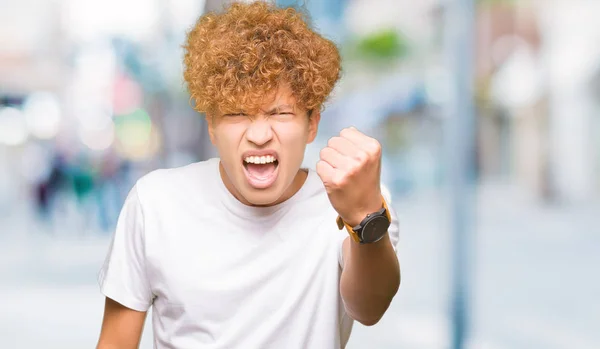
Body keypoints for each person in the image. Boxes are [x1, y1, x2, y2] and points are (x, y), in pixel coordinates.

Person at [96, 2, 400, 348]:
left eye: (280, 112)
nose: (258, 134)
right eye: (237, 113)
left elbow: (370, 307)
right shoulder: (155, 203)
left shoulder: (361, 205)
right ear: (211, 125)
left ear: (312, 123)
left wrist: (364, 218)